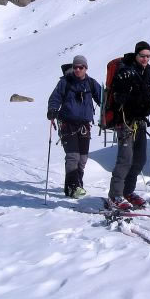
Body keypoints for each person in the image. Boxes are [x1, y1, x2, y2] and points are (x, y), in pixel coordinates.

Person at [106, 41, 150, 210]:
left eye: (148, 56)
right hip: (125, 122)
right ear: (136, 55)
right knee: (125, 159)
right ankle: (114, 194)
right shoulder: (125, 71)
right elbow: (119, 96)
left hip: (140, 121)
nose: (145, 59)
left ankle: (127, 191)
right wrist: (125, 92)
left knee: (139, 159)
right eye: (142, 55)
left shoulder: (148, 74)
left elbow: (144, 100)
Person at [47, 55, 102, 198]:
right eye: (75, 67)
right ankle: (73, 187)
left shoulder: (91, 83)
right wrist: (52, 110)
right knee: (73, 156)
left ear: (86, 68)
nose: (78, 69)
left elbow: (103, 99)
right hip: (67, 123)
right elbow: (55, 98)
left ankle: (76, 185)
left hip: (84, 125)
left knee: (83, 158)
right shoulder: (65, 82)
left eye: (81, 67)